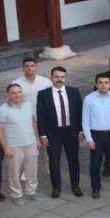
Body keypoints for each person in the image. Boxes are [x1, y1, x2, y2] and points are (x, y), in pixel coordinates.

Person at [36, 66, 84, 198]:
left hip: (71, 131)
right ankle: (56, 188)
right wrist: (42, 134)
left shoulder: (74, 92)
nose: (59, 79)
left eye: (62, 77)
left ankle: (76, 186)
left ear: (65, 78)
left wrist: (81, 130)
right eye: (56, 77)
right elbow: (40, 116)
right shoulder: (43, 94)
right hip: (53, 132)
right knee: (54, 160)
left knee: (73, 159)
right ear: (51, 77)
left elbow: (80, 112)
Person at [0, 83, 41, 205]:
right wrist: (6, 147)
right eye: (13, 93)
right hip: (13, 146)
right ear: (8, 94)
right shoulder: (2, 110)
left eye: (19, 92)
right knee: (14, 172)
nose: (17, 95)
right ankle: (16, 195)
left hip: (30, 143)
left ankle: (31, 191)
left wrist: (36, 138)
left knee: (32, 169)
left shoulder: (28, 104)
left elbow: (33, 122)